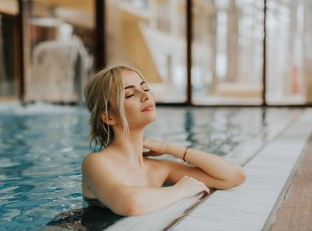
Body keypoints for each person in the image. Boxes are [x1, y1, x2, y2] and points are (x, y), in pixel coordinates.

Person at [82, 65, 247, 216]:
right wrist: (180, 191)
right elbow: (130, 204)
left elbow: (234, 177)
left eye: (145, 88)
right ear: (109, 117)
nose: (145, 95)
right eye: (130, 94)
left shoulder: (158, 168)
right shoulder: (96, 162)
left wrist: (169, 148)